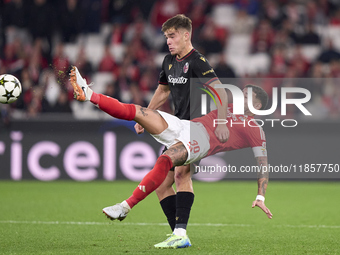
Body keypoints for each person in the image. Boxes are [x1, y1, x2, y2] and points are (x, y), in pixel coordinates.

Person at [70, 66, 273, 249]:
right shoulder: (227, 108)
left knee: (167, 161)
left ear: (257, 105)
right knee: (139, 113)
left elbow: (263, 163)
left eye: (246, 96)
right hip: (187, 127)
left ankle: (126, 206)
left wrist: (260, 196)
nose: (241, 97)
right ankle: (89, 94)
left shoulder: (254, 128)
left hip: (202, 142)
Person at [132, 14, 229, 248]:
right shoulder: (168, 61)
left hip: (197, 127)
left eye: (172, 36)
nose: (168, 41)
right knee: (162, 184)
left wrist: (223, 122)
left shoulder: (198, 61)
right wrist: (144, 115)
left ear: (186, 35)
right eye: (166, 37)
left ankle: (181, 234)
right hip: (178, 128)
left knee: (181, 174)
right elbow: (163, 92)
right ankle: (178, 233)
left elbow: (220, 93)